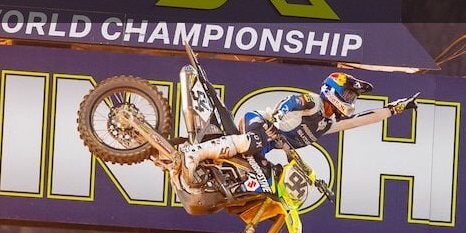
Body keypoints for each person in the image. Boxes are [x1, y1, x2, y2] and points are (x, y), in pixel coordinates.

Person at [177, 72, 418, 187]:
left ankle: (213, 185)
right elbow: (290, 102)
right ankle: (194, 153)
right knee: (255, 141)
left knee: (265, 181)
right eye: (348, 94)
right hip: (259, 123)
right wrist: (276, 120)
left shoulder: (327, 124)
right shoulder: (313, 102)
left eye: (352, 97)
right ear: (333, 90)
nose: (350, 100)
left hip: (268, 143)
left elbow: (360, 120)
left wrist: (394, 109)